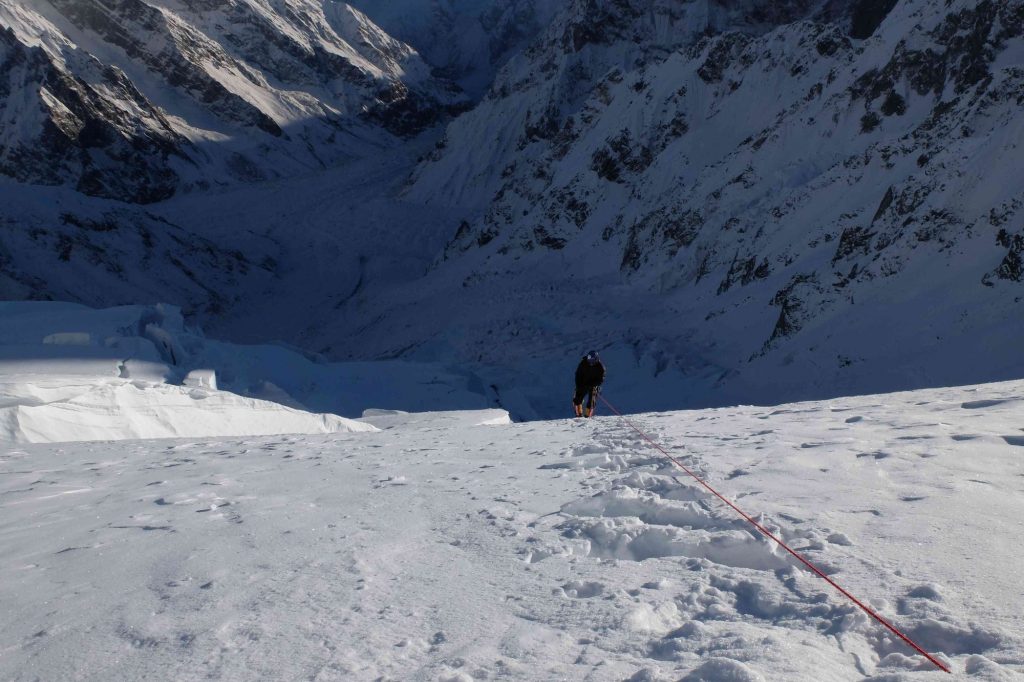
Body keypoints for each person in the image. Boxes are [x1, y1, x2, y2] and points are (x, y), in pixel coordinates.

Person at [573, 350, 605, 418]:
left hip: (593, 385)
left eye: (592, 360)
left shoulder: (600, 367)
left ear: (596, 359)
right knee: (578, 398)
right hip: (583, 383)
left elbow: (601, 379)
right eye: (589, 360)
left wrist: (594, 385)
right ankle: (579, 414)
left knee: (591, 400)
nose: (590, 362)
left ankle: (587, 415)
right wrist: (578, 385)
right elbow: (578, 375)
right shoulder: (583, 363)